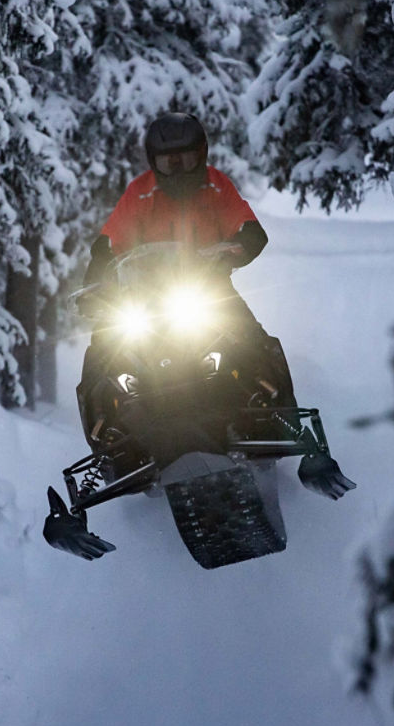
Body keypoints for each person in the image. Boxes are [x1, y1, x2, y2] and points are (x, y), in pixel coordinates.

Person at [75, 111, 354, 500]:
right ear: (153, 161)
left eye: (186, 159)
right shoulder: (139, 193)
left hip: (205, 290)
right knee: (102, 354)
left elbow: (249, 228)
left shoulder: (216, 186)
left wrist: (236, 248)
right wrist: (96, 283)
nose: (177, 169)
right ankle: (108, 446)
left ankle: (292, 429)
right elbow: (108, 243)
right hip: (143, 298)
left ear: (201, 154)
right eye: (168, 162)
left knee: (258, 343)